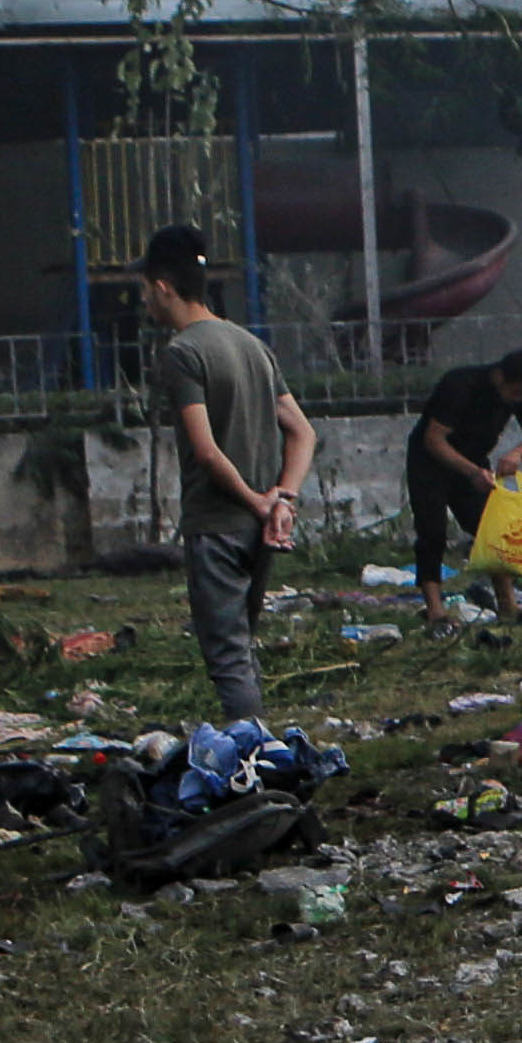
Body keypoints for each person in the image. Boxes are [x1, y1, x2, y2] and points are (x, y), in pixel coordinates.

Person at [136, 231, 312, 723]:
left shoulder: (182, 353)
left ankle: (252, 766)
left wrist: (258, 501)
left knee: (228, 659)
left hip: (218, 523)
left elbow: (207, 452)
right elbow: (302, 432)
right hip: (259, 529)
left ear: (165, 287)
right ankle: (258, 750)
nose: (145, 300)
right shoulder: (251, 344)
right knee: (242, 646)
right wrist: (282, 499)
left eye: (146, 289)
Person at [406, 347, 522, 599]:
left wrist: (517, 452)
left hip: (474, 461)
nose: (518, 400)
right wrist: (472, 472)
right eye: (516, 392)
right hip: (430, 462)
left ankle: (507, 604)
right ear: (500, 378)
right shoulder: (460, 386)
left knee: (493, 531)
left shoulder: (518, 394)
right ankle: (435, 609)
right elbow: (433, 440)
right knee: (433, 532)